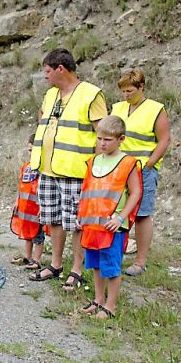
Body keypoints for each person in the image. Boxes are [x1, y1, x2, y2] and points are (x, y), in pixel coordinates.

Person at [28, 48, 107, 291]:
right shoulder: (50, 95)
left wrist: (99, 170)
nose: (45, 77)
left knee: (75, 224)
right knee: (53, 219)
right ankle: (55, 264)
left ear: (61, 69)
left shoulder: (91, 94)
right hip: (48, 169)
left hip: (76, 172)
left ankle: (77, 269)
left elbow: (103, 133)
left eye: (48, 72)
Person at [77, 115, 142, 318]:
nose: (102, 143)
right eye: (99, 139)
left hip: (113, 226)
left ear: (121, 139)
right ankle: (98, 300)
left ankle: (111, 306)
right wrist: (81, 214)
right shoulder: (94, 161)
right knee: (95, 264)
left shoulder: (127, 163)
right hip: (93, 225)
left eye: (108, 140)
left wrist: (121, 218)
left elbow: (136, 192)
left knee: (111, 267)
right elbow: (87, 190)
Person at [112, 70, 170, 276]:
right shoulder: (117, 108)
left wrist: (150, 163)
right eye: (123, 91)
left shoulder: (155, 109)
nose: (126, 95)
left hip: (142, 169)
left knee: (142, 214)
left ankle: (140, 261)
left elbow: (164, 139)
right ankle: (115, 254)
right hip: (119, 169)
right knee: (117, 211)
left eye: (130, 91)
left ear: (141, 87)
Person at [10, 134, 45, 270]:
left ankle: (36, 260)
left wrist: (43, 207)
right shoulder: (25, 167)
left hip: (37, 211)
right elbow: (21, 187)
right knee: (27, 234)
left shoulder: (43, 170)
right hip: (25, 210)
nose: (31, 154)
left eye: (34, 150)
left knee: (38, 236)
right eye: (29, 151)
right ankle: (27, 257)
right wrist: (16, 202)